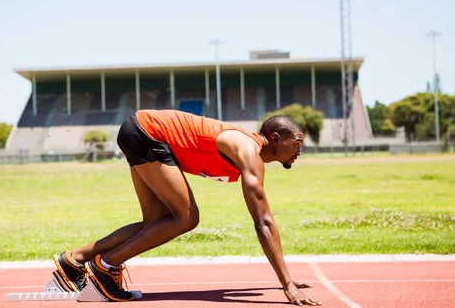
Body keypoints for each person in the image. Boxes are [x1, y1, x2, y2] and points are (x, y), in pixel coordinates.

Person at [53, 109, 322, 306]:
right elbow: (263, 221)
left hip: (140, 130)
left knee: (156, 221)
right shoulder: (248, 151)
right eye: (296, 145)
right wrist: (287, 284)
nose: (298, 152)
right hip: (147, 132)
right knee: (186, 218)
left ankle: (75, 259)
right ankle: (106, 266)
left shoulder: (247, 149)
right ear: (275, 138)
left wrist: (287, 280)